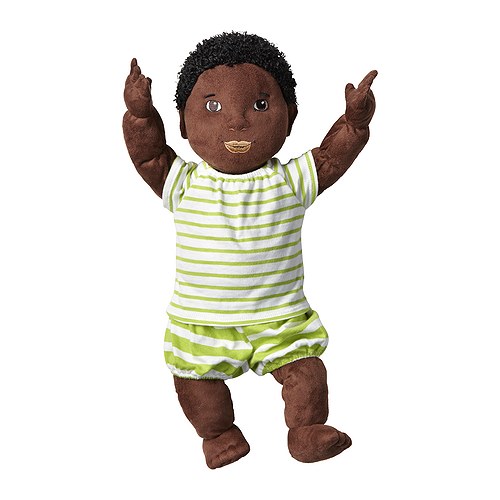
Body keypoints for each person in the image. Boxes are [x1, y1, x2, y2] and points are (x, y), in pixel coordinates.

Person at [123, 32, 377, 469]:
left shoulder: (289, 180)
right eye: (213, 107)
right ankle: (218, 434)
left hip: (281, 319)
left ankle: (305, 431)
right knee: (195, 385)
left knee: (307, 373)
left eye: (260, 105)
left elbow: (331, 158)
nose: (237, 121)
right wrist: (140, 116)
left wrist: (354, 124)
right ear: (183, 122)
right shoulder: (184, 183)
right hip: (201, 323)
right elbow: (149, 158)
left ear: (289, 117)